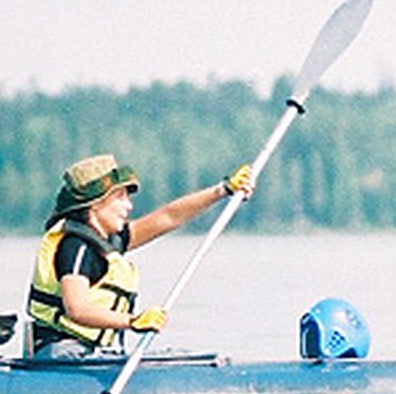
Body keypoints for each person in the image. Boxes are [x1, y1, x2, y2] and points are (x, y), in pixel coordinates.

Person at [27, 153, 254, 357]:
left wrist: (222, 190)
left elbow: (168, 217)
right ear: (95, 204)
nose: (128, 206)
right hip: (62, 353)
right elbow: (77, 308)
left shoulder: (109, 242)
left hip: (91, 352)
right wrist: (132, 322)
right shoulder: (77, 246)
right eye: (120, 197)